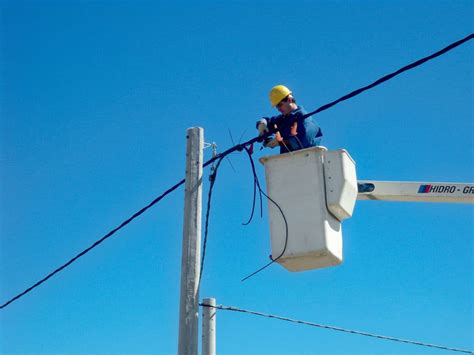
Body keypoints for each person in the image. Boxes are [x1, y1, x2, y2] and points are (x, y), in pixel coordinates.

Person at [256, 85, 323, 154]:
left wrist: (280, 142)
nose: (278, 109)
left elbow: (303, 139)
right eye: (276, 106)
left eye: (279, 105)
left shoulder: (304, 117)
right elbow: (268, 121)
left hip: (307, 159)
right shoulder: (283, 119)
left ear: (289, 100)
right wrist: (262, 124)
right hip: (290, 161)